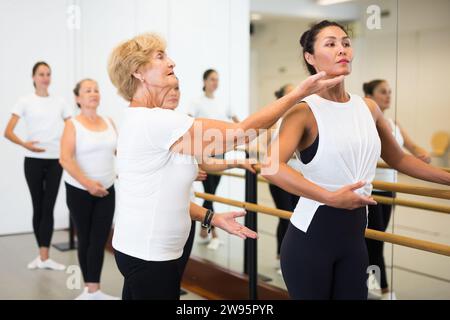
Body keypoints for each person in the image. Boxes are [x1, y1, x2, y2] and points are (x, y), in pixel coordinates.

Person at [107, 32, 344, 300]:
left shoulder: (149, 120)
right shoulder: (153, 122)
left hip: (151, 250)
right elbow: (240, 134)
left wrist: (211, 217)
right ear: (138, 71)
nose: (172, 62)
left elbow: (160, 196)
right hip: (149, 255)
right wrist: (298, 95)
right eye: (160, 57)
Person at [261, 20, 450, 300]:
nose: (342, 49)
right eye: (331, 43)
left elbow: (398, 158)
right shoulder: (303, 113)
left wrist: (447, 178)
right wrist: (330, 197)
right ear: (310, 57)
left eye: (346, 42)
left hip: (354, 242)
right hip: (310, 242)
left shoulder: (368, 107)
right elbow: (271, 167)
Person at [161, 80, 256, 295]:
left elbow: (206, 162)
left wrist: (237, 161)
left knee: (176, 272)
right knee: (157, 281)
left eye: (176, 88)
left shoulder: (183, 126)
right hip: (163, 219)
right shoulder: (156, 126)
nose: (174, 92)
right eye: (167, 88)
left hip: (186, 213)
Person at [362, 79, 431, 300]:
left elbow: (410, 146)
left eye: (390, 92)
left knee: (375, 238)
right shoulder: (366, 120)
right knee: (376, 239)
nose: (388, 96)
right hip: (372, 189)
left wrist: (421, 153)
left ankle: (366, 281)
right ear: (370, 96)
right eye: (383, 92)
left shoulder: (393, 122)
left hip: (390, 190)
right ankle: (382, 287)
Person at [4, 61, 72, 271]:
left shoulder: (60, 102)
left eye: (48, 74)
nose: (45, 77)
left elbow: (72, 126)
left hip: (55, 160)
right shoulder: (25, 101)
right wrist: (25, 144)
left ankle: (45, 256)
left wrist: (66, 147)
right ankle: (41, 255)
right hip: (32, 161)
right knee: (38, 205)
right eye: (41, 74)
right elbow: (8, 131)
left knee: (48, 206)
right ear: (33, 77)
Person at [59, 79, 119, 300]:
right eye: (87, 90)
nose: (93, 93)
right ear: (77, 98)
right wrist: (88, 184)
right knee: (86, 238)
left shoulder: (109, 122)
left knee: (100, 238)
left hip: (107, 190)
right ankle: (90, 289)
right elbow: (65, 159)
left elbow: (120, 153)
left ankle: (94, 290)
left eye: (96, 90)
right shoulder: (72, 125)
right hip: (79, 190)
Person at [189, 69, 240, 250]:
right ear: (204, 81)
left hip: (220, 152)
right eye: (212, 79)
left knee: (211, 192)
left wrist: (237, 138)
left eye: (217, 80)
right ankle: (213, 232)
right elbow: (188, 123)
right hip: (204, 152)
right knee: (209, 192)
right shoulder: (197, 102)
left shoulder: (222, 103)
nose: (215, 82)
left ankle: (205, 229)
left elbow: (237, 123)